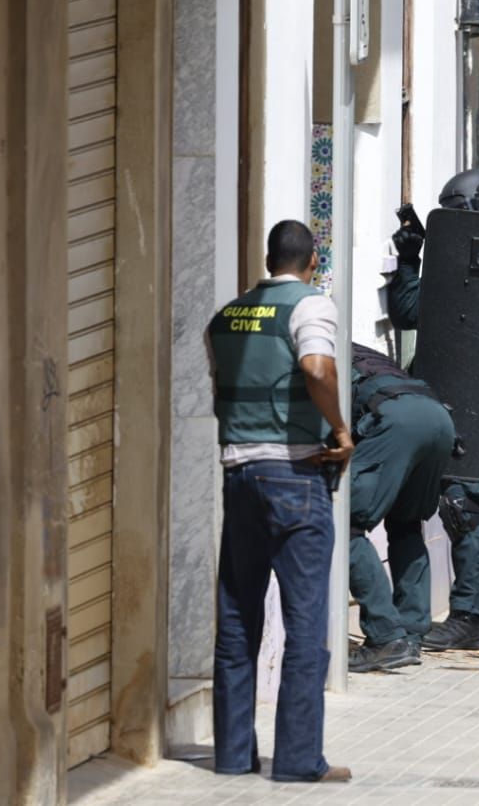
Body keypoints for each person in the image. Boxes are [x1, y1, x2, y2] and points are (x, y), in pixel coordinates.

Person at [209, 220, 353, 783]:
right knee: (304, 620)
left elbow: (219, 382)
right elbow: (316, 367)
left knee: (237, 616)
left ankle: (231, 755)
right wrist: (339, 429)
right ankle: (297, 761)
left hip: (238, 473)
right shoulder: (311, 306)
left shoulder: (227, 315)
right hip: (294, 473)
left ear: (268, 260)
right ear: (311, 260)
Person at [385, 169, 479, 651]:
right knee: (457, 504)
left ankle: (473, 614)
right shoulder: (459, 260)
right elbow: (408, 310)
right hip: (450, 395)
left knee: (463, 506)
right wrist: (409, 258)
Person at [345, 342, 455, 671]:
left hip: (396, 421)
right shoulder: (362, 350)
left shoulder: (315, 348)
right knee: (406, 524)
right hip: (438, 418)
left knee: (345, 524)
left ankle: (385, 636)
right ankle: (411, 632)